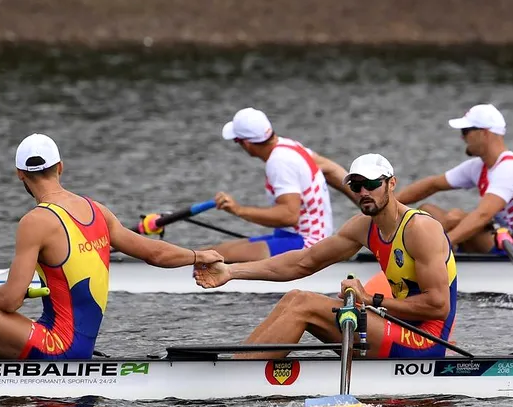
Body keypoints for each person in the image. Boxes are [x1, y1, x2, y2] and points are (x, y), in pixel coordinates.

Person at [0, 133, 223, 361]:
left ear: (20, 175)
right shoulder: (98, 211)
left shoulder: (35, 221)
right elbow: (156, 252)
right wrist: (199, 255)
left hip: (57, 345)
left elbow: (9, 302)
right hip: (79, 345)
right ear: (60, 167)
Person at [194, 153, 458, 359]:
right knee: (294, 297)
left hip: (426, 340)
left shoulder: (420, 228)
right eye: (356, 185)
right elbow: (303, 262)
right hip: (399, 327)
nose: (364, 192)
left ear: (391, 184)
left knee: (305, 305)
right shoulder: (363, 227)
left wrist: (369, 299)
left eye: (371, 184)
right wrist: (231, 271)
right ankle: (236, 366)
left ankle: (236, 377)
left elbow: (438, 305)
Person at [395, 104, 513, 261]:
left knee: (460, 219)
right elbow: (432, 185)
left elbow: (483, 215)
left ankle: (435, 255)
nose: (462, 138)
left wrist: (443, 244)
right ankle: (425, 256)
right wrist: (387, 206)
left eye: (466, 131)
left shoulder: (511, 169)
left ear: (484, 133)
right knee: (427, 212)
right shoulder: (479, 167)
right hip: (498, 235)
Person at [210, 107, 358, 263]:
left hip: (307, 245)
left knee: (213, 257)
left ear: (246, 144)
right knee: (213, 252)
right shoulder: (290, 145)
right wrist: (364, 203)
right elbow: (331, 170)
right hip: (294, 237)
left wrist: (238, 210)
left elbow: (289, 216)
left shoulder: (279, 162)